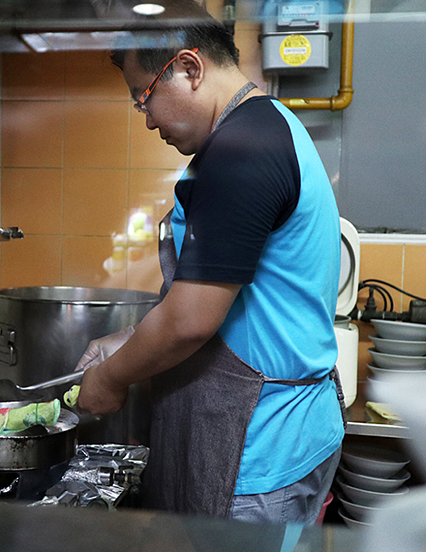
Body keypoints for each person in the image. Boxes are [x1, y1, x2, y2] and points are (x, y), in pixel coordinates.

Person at [74, 1, 345, 523]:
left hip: (261, 448)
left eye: (144, 97)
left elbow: (191, 322)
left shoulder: (239, 152)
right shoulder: (269, 127)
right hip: (288, 433)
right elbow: (236, 307)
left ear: (190, 68)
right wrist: (124, 342)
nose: (148, 120)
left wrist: (111, 380)